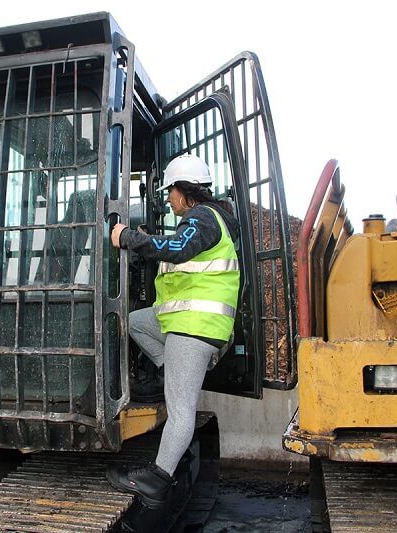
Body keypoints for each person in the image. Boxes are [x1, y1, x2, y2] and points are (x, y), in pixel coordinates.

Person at [105, 153, 240, 509]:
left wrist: (128, 238)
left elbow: (178, 248)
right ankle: (171, 369)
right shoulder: (204, 221)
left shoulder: (203, 218)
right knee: (135, 322)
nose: (167, 198)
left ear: (185, 191)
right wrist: (150, 240)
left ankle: (158, 479)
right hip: (181, 322)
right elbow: (181, 248)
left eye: (170, 191)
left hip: (195, 327)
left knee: (181, 410)